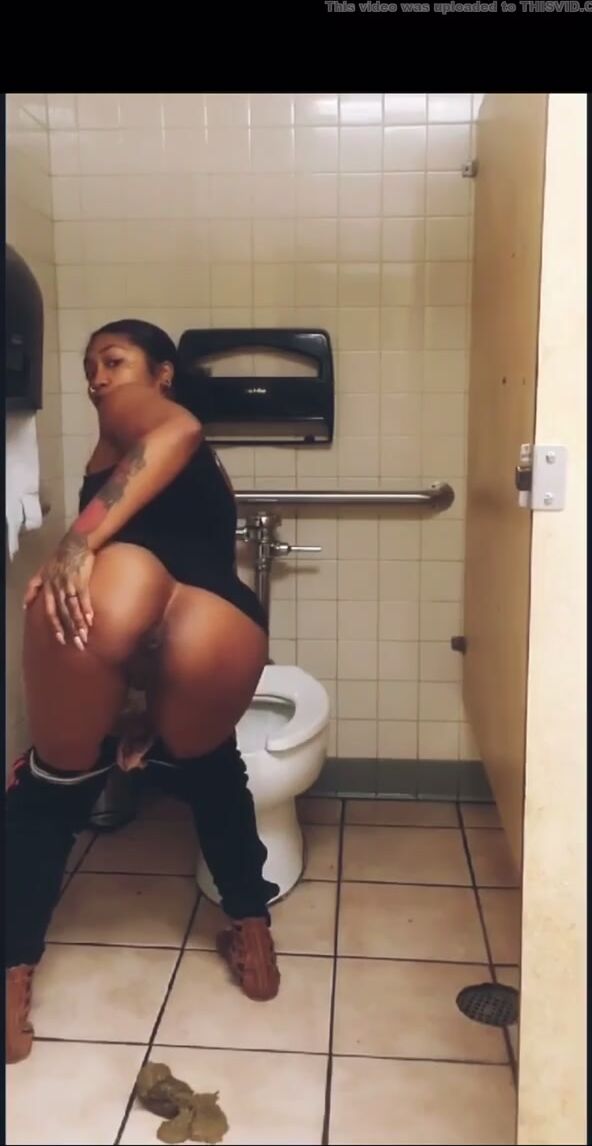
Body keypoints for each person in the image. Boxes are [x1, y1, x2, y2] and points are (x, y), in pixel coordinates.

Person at [6, 319, 282, 1065]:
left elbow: (177, 428)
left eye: (115, 361)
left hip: (121, 588)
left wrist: (76, 541)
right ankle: (254, 941)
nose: (98, 379)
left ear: (162, 374)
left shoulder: (136, 417)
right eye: (89, 367)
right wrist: (146, 710)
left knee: (51, 789)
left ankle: (10, 979)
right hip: (222, 622)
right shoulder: (207, 472)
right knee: (215, 772)